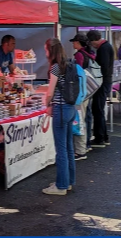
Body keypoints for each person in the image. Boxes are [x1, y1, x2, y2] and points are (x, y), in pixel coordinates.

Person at [41, 38, 76, 195]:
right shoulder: (68, 63)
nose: (45, 52)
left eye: (46, 49)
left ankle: (61, 185)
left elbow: (50, 92)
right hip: (70, 108)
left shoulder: (55, 67)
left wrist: (47, 105)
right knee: (68, 147)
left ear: (51, 50)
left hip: (60, 109)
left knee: (60, 149)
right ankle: (68, 181)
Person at [87, 30, 113, 148]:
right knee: (99, 109)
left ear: (94, 41)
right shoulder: (107, 46)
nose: (92, 45)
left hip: (102, 82)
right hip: (105, 81)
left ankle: (100, 137)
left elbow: (103, 67)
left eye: (92, 43)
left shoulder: (103, 49)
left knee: (97, 109)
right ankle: (103, 136)